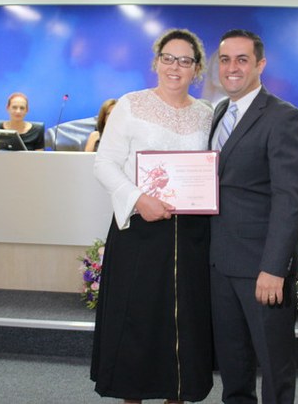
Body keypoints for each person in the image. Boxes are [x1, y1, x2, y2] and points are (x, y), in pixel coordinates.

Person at [90, 28, 214, 403]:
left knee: (185, 321)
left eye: (185, 61)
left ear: (197, 69)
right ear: (156, 62)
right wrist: (138, 198)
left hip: (191, 235)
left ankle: (178, 396)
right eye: (168, 58)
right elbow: (104, 164)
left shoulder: (207, 114)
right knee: (138, 320)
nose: (175, 67)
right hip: (140, 231)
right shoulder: (130, 105)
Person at [209, 29, 298, 404]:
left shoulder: (283, 117)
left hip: (261, 268)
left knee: (273, 363)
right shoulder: (220, 112)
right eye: (225, 59)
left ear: (260, 64)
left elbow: (290, 198)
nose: (232, 67)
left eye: (242, 59)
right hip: (219, 263)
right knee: (233, 364)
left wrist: (273, 267)